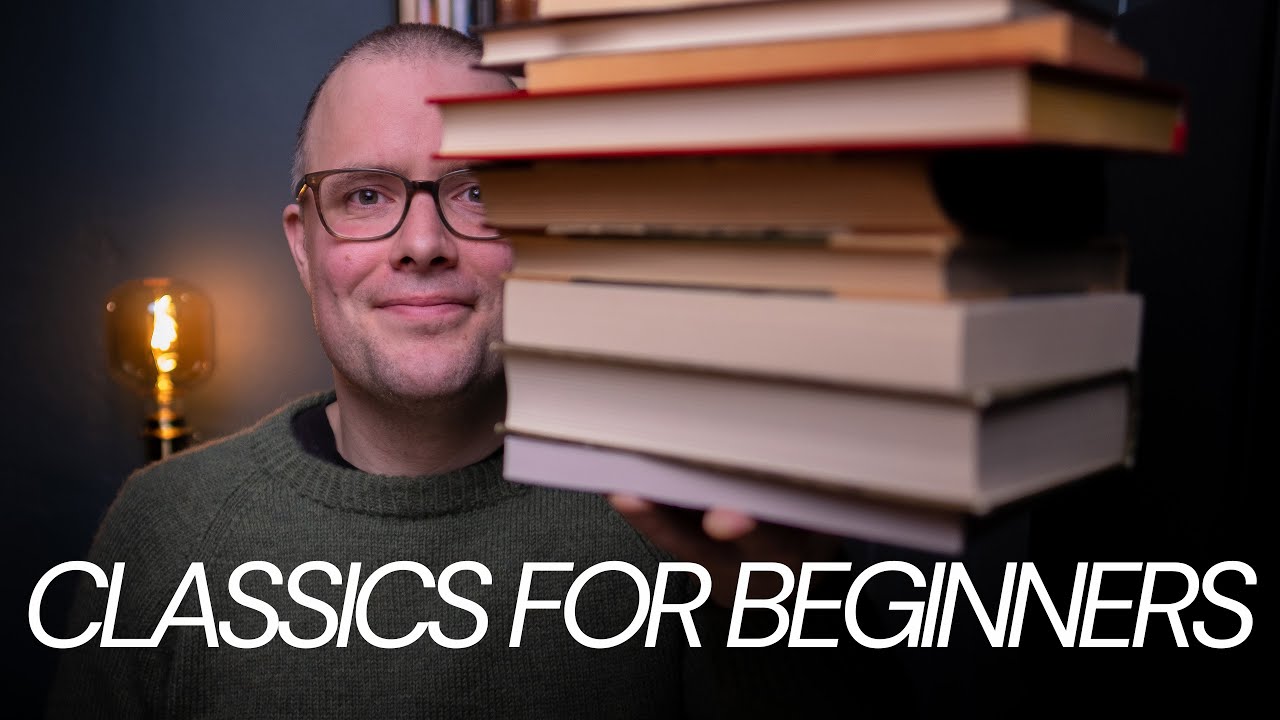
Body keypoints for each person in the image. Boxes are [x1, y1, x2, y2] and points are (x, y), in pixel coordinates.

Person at [48, 23, 893, 718]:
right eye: (365, 195)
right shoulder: (164, 530)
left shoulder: (695, 521)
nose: (423, 245)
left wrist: (794, 617)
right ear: (304, 248)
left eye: (480, 191)